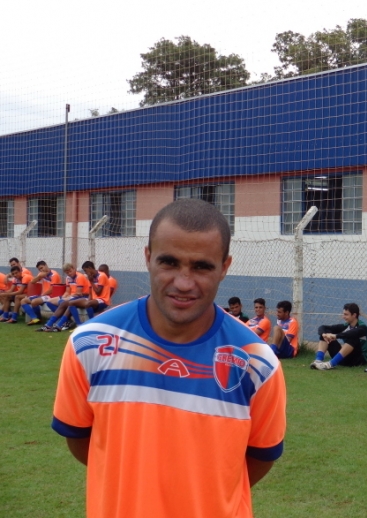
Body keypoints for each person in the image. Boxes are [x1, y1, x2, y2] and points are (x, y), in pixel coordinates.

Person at [51, 198, 286, 518]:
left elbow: (259, 458)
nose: (184, 283)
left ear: (225, 267)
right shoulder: (89, 344)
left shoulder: (257, 362)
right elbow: (82, 442)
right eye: (169, 262)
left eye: (202, 266)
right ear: (148, 258)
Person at [311, 303, 367, 370]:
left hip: (358, 360)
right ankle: (318, 361)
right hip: (345, 358)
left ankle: (330, 364)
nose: (343, 317)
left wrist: (336, 336)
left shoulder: (363, 328)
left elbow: (352, 333)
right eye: (343, 314)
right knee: (326, 334)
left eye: (346, 314)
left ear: (354, 315)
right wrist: (324, 334)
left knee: (353, 338)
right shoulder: (345, 326)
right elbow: (323, 327)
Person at [36, 263, 90, 332]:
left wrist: (66, 299)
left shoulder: (80, 277)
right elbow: (67, 291)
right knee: (49, 301)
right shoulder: (68, 278)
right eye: (67, 272)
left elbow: (78, 293)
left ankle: (50, 325)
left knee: (65, 303)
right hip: (72, 297)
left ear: (74, 268)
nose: (69, 273)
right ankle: (66, 321)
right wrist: (63, 297)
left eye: (70, 271)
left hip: (82, 297)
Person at [21, 261, 62, 326]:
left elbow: (52, 289)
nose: (41, 270)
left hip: (51, 296)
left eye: (42, 268)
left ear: (46, 265)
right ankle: (35, 318)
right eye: (39, 269)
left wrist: (42, 295)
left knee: (34, 301)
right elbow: (32, 282)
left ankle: (39, 318)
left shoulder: (54, 275)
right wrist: (39, 277)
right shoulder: (41, 274)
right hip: (43, 295)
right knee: (23, 301)